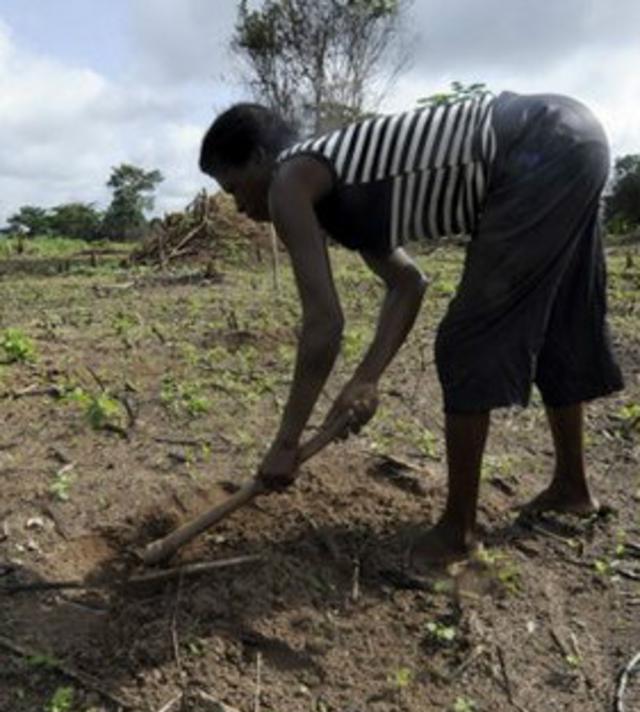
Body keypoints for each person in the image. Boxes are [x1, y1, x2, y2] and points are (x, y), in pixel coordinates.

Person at [198, 91, 624, 568]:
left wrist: (285, 444)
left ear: (259, 158)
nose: (237, 207)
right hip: (576, 136)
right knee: (560, 322)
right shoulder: (343, 180)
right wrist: (366, 379)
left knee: (465, 345)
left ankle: (456, 533)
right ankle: (572, 487)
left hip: (536, 146)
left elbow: (324, 323)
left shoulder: (289, 178)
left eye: (233, 188)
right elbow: (407, 284)